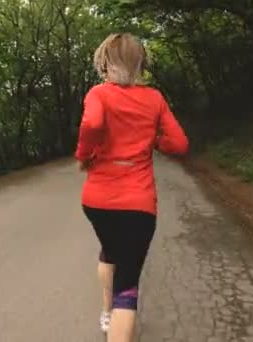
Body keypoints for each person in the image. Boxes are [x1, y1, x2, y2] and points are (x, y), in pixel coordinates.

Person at [75, 33, 189, 342]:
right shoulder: (154, 99)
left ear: (106, 62)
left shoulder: (98, 94)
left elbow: (93, 124)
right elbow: (179, 143)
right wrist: (154, 140)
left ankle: (106, 313)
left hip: (97, 202)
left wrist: (84, 155)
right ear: (140, 64)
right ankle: (116, 314)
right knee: (128, 281)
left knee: (110, 252)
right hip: (138, 206)